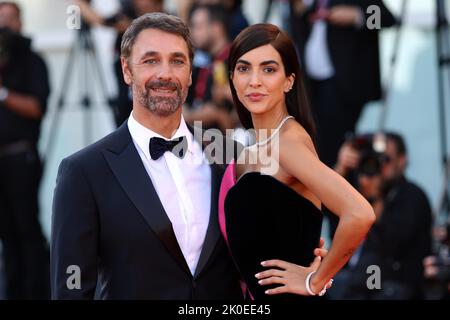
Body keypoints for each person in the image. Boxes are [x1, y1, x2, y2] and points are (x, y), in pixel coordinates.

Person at [51, 13, 326, 300]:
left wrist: (311, 268)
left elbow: (269, 250)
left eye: (177, 61)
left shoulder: (232, 157)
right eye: (151, 60)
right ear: (126, 70)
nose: (165, 74)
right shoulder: (84, 172)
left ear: (191, 73)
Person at [218, 23, 375, 300]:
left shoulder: (287, 143)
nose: (254, 80)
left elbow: (359, 213)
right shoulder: (254, 149)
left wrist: (316, 279)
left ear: (289, 80)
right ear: (232, 77)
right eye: (244, 69)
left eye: (268, 69)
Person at [291, 0, 396, 168]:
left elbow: (387, 18)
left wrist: (357, 16)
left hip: (342, 84)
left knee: (332, 146)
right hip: (310, 84)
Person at [330, 132, 433, 299]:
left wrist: (375, 199)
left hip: (393, 285)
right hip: (353, 281)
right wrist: (341, 169)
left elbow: (391, 245)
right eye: (374, 159)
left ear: (402, 160)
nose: (379, 166)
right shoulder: (361, 187)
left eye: (386, 159)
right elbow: (328, 210)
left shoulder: (413, 196)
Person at [0, 1, 51, 299]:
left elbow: (37, 108)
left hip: (22, 157)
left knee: (27, 227)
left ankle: (37, 291)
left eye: (9, 19)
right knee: (6, 232)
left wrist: (4, 94)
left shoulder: (33, 61)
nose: (4, 26)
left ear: (21, 23)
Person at [73, 0, 164, 127]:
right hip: (125, 80)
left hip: (153, 83)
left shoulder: (166, 23)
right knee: (123, 112)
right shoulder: (126, 13)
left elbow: (103, 21)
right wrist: (80, 5)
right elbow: (102, 21)